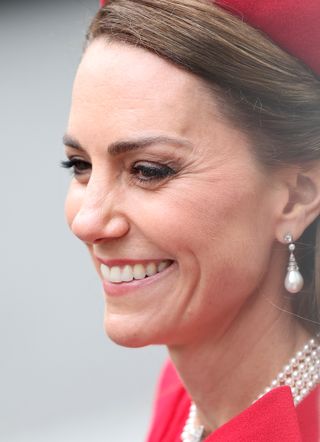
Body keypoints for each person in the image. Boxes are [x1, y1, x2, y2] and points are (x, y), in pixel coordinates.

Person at [62, 0, 320, 440]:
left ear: (295, 197)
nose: (87, 222)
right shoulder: (188, 393)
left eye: (148, 170)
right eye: (80, 166)